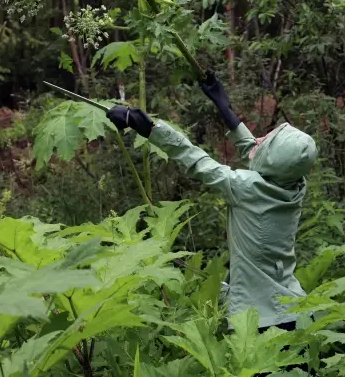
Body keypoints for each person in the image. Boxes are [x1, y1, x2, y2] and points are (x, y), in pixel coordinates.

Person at [107, 70, 317, 369]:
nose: (259, 139)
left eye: (266, 141)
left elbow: (196, 160)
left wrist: (149, 127)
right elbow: (256, 152)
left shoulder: (246, 188)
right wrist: (223, 105)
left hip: (262, 323)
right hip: (296, 311)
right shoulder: (294, 184)